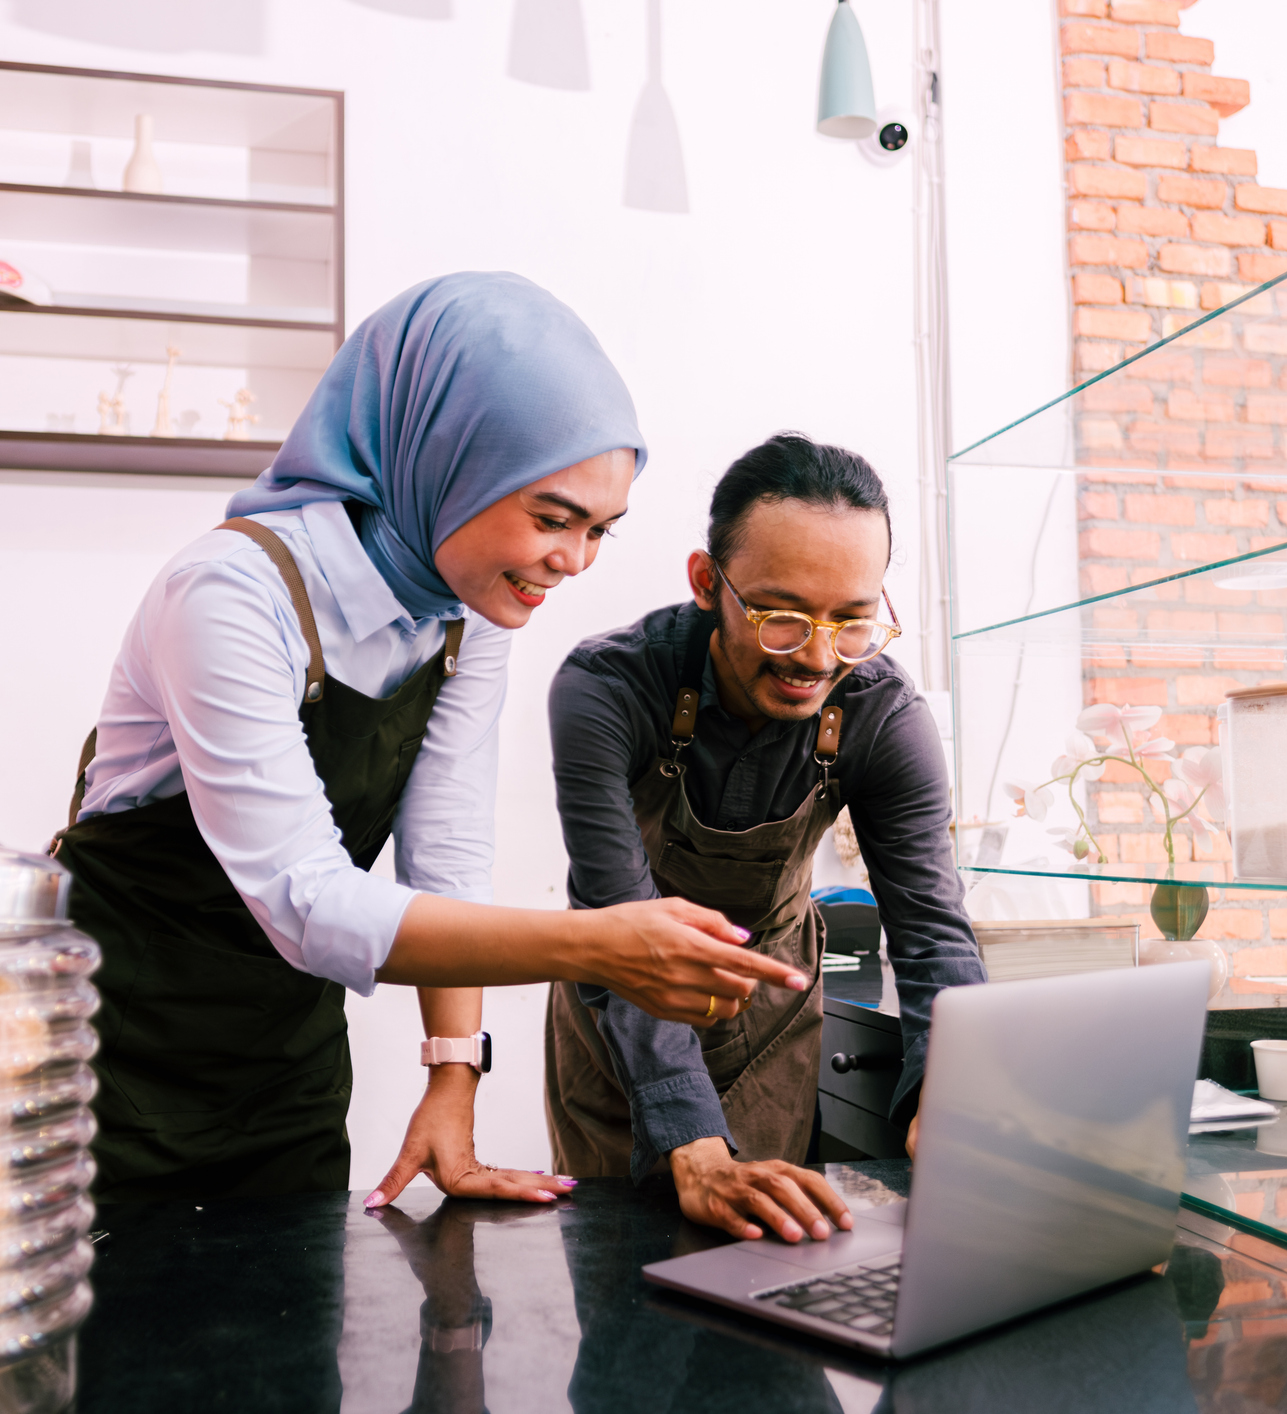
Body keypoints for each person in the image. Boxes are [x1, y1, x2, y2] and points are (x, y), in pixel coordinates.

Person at [53, 274, 808, 1207]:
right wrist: (594, 947)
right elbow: (307, 902)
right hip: (103, 1055)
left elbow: (443, 863)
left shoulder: (467, 612)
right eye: (551, 518)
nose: (571, 562)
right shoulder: (230, 594)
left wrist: (454, 1079)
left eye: (599, 531)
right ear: (449, 460)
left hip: (284, 1066)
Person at [543, 433, 986, 1242]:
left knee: (767, 1276)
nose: (816, 658)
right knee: (624, 1288)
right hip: (621, 1014)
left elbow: (930, 929)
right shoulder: (607, 690)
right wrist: (691, 1141)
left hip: (771, 1016)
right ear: (708, 583)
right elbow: (615, 921)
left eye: (852, 621)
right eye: (782, 619)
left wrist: (950, 1094)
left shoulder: (883, 715)